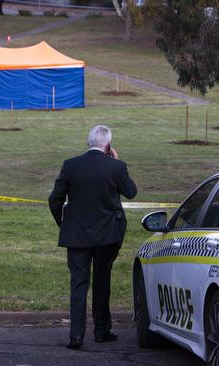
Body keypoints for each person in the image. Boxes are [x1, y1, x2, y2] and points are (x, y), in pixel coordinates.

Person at [48, 125, 137, 350]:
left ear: (88, 143)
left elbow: (54, 199)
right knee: (102, 281)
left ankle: (76, 335)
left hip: (77, 235)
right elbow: (131, 191)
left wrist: (63, 222)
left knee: (78, 284)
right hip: (107, 235)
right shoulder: (116, 167)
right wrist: (117, 160)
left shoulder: (70, 166)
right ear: (107, 146)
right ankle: (101, 330)